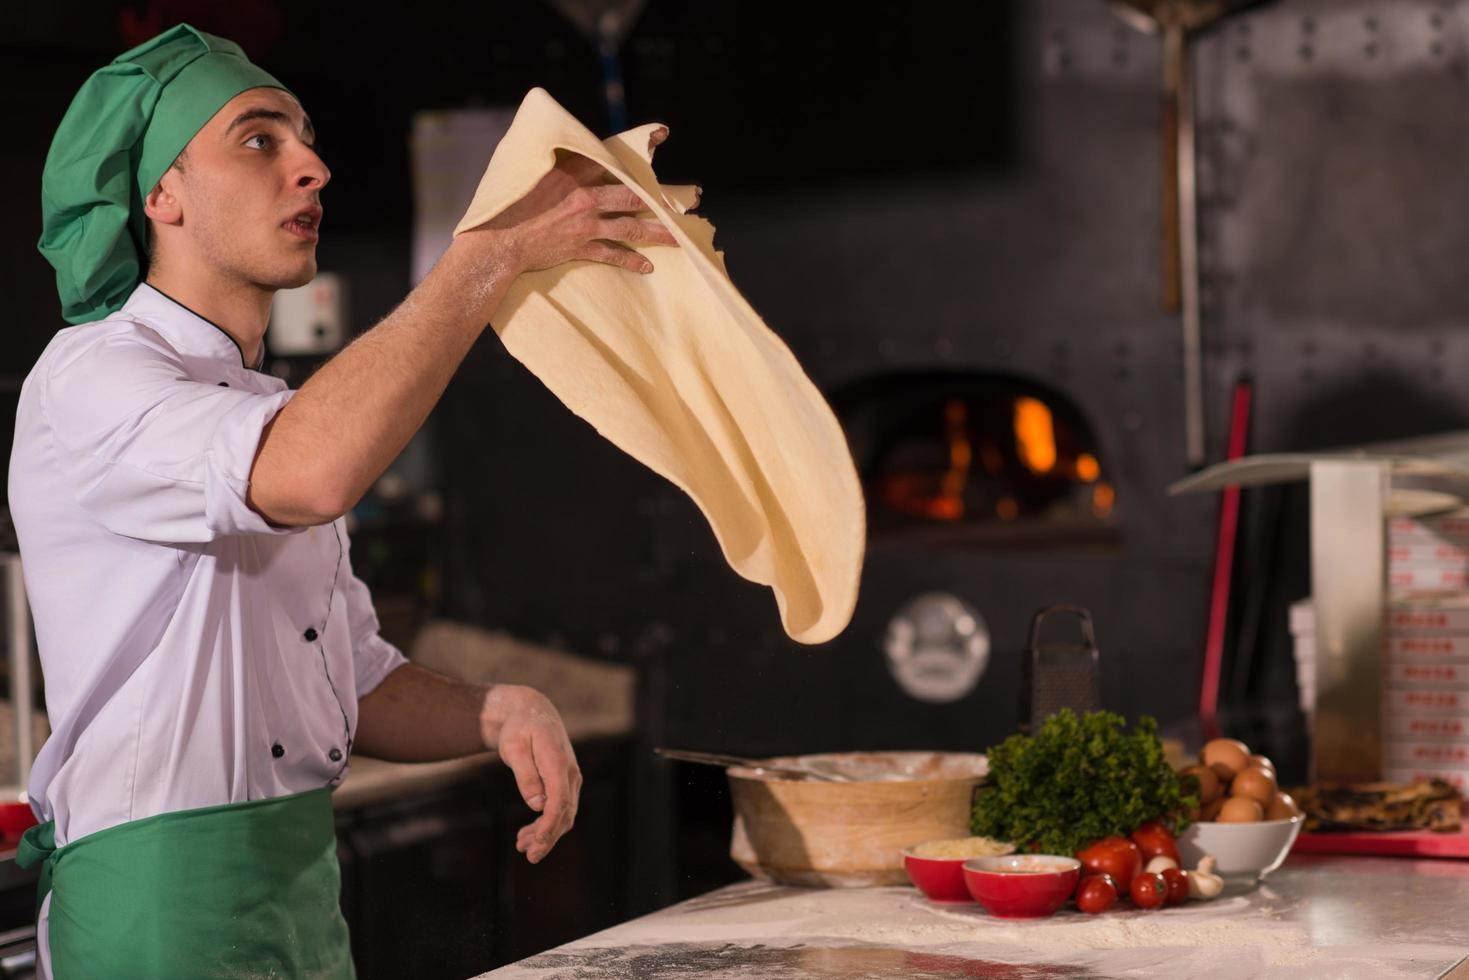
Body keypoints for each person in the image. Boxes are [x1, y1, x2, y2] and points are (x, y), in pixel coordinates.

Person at [12, 23, 676, 979]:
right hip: (157, 905)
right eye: (258, 138)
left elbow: (352, 684)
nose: (312, 166)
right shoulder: (95, 377)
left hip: (297, 889)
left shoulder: (265, 407)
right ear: (161, 194)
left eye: (306, 137)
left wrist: (498, 711)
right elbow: (308, 473)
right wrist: (483, 258)